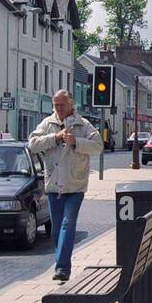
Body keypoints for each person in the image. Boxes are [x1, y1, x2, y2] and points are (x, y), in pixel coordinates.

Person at [28, 90, 103, 283]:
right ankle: (61, 262)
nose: (58, 109)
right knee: (55, 231)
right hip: (54, 185)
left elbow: (98, 146)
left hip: (75, 184)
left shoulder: (82, 124)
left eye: (62, 105)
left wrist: (76, 141)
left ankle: (62, 268)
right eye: (56, 105)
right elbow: (33, 144)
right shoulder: (47, 124)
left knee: (67, 225)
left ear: (71, 105)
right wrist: (55, 137)